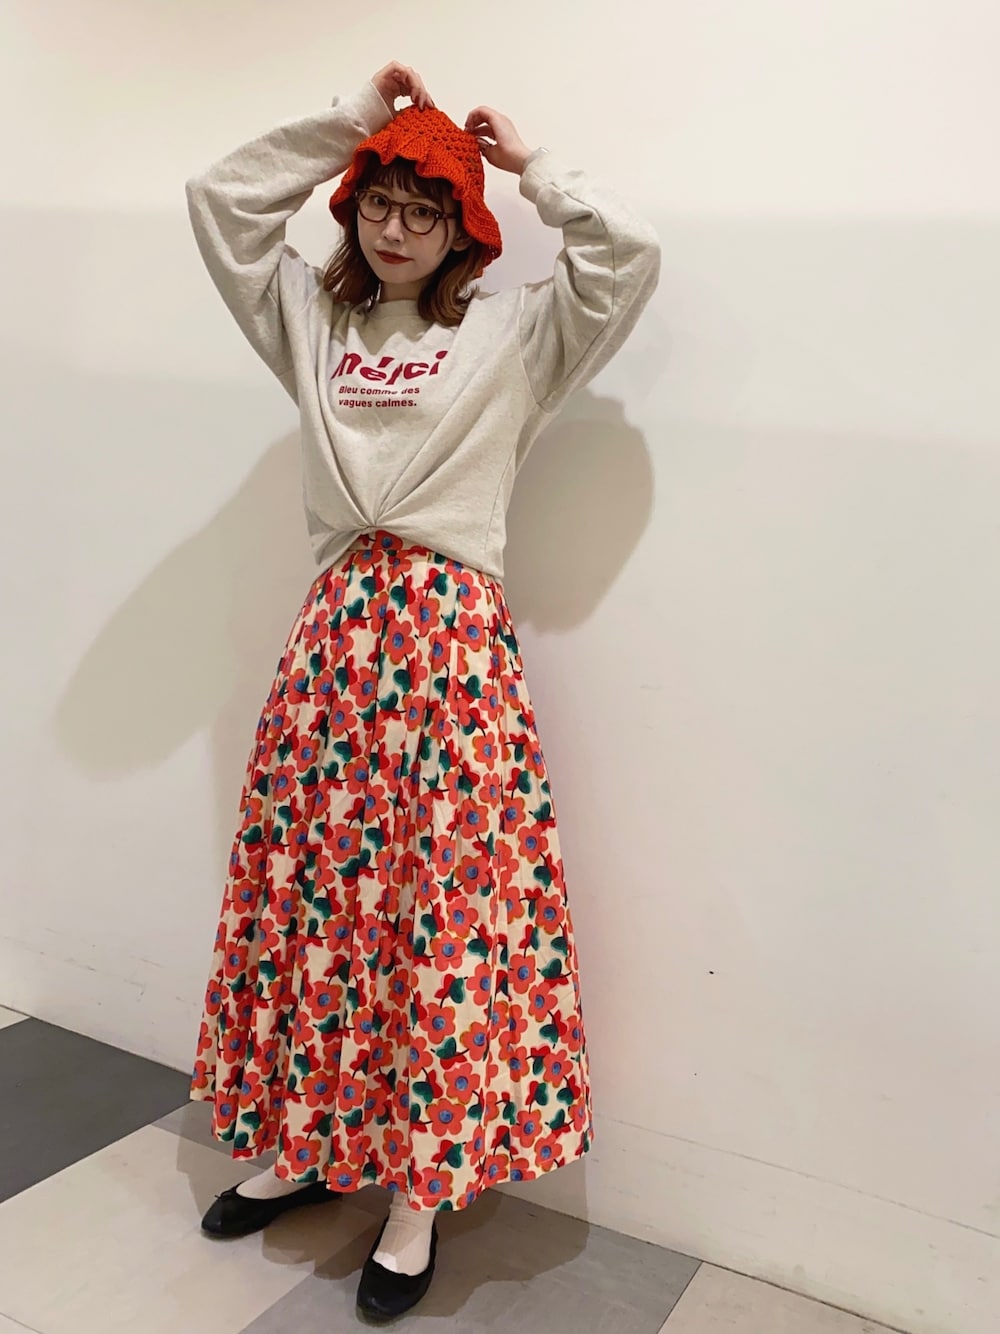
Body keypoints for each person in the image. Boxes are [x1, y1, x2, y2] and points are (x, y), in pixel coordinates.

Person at [185, 59, 659, 1322]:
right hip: (335, 643)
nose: (395, 228)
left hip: (449, 647)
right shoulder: (315, 322)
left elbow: (628, 255)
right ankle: (309, 1139)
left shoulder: (512, 335)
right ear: (352, 212)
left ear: (463, 229)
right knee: (317, 903)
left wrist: (534, 166)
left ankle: (415, 1192)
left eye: (424, 209)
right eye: (379, 203)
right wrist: (348, 123)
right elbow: (220, 204)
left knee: (435, 916)